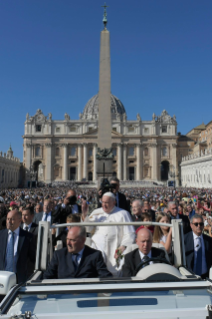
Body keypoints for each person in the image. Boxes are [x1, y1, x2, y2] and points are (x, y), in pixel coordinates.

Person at [83, 192, 135, 275]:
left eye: (106, 203)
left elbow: (130, 234)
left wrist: (123, 246)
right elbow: (88, 229)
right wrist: (84, 215)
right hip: (98, 247)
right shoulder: (97, 213)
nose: (104, 205)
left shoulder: (123, 214)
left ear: (114, 202)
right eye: (102, 202)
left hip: (116, 247)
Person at [43, 226, 112, 279]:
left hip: (86, 296)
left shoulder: (95, 255)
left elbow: (105, 276)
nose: (68, 243)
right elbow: (47, 277)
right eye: (67, 239)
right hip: (63, 296)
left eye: (72, 240)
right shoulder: (59, 255)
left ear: (83, 240)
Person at [0, 210, 36, 283]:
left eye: (12, 219)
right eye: (8, 219)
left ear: (20, 220)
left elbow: (32, 259)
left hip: (19, 279)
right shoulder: (1, 235)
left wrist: (27, 276)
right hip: (2, 277)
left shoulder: (28, 237)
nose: (9, 221)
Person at [184, 214, 212, 279]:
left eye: (201, 224)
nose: (199, 226)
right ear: (191, 225)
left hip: (205, 276)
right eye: (196, 224)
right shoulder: (185, 239)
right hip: (190, 275)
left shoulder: (209, 240)